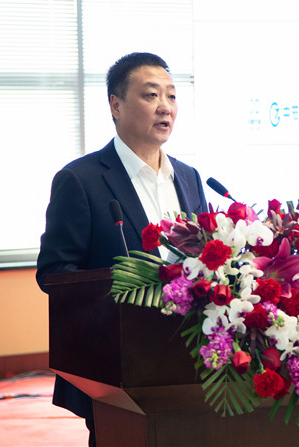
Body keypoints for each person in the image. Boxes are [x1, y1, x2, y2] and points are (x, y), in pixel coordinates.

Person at [36, 52, 208, 446]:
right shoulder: (80, 179)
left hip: (189, 359)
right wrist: (126, 291)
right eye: (151, 95)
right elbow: (55, 274)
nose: (165, 106)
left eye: (171, 96)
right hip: (117, 367)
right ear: (116, 105)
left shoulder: (189, 178)